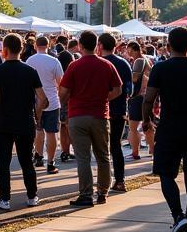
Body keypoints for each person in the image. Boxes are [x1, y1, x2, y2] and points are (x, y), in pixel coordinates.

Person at [59, 31, 123, 208]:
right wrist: (104, 97)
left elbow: (63, 92)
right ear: (97, 45)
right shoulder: (107, 65)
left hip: (78, 115)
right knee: (103, 155)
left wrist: (65, 103)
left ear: (80, 45)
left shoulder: (74, 66)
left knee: (83, 157)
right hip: (100, 115)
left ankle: (86, 194)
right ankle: (103, 191)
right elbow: (118, 89)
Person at [0, 33, 47, 210]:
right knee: (26, 161)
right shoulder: (30, 71)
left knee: (3, 162)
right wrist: (37, 115)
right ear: (21, 49)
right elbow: (42, 98)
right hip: (25, 121)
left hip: (3, 122)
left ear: (4, 50)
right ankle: (32, 196)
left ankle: (4, 199)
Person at [143, 26, 187, 232]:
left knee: (166, 173)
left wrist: (146, 119)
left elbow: (149, 98)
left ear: (168, 46)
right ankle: (186, 218)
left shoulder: (160, 68)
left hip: (170, 126)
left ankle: (178, 216)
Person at [98, 32, 133, 192]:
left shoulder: (101, 63)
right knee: (116, 146)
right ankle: (120, 180)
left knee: (101, 148)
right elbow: (129, 90)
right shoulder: (124, 63)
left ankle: (102, 181)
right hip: (119, 110)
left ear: (100, 46)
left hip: (101, 109)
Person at [27, 35, 64, 174]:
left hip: (36, 101)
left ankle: (39, 157)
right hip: (52, 100)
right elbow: (61, 82)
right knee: (52, 132)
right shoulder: (54, 61)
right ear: (48, 46)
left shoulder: (30, 60)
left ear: (36, 46)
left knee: (38, 130)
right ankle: (50, 162)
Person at [127, 41, 154, 160]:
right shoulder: (147, 60)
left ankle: (135, 152)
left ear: (135, 49)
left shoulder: (139, 60)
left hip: (138, 97)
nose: (127, 52)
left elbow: (134, 78)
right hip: (147, 96)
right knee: (148, 125)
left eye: (129, 50)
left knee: (133, 127)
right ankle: (153, 151)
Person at [53, 37, 75, 162]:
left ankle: (65, 150)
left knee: (63, 126)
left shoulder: (60, 71)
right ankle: (71, 150)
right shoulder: (70, 72)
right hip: (69, 100)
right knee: (69, 126)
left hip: (60, 99)